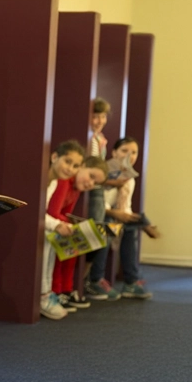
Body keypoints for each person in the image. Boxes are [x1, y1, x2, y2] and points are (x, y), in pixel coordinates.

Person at [48, 156, 109, 312]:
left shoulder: (76, 189)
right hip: (50, 226)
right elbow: (54, 212)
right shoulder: (64, 183)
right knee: (64, 251)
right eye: (91, 176)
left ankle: (66, 290)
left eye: (95, 183)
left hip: (59, 226)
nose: (90, 183)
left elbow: (66, 213)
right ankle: (56, 290)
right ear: (81, 167)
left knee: (73, 251)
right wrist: (70, 225)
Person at [103, 137, 160, 299]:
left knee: (131, 226)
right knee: (116, 226)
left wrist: (141, 221)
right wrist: (117, 215)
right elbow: (100, 203)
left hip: (117, 216)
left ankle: (131, 282)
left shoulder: (129, 177)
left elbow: (125, 207)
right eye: (124, 151)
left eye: (134, 152)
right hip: (104, 216)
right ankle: (98, 280)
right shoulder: (107, 172)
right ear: (114, 153)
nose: (130, 155)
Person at [40, 140, 86, 320]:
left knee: (54, 236)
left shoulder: (56, 182)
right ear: (54, 157)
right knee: (48, 236)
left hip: (42, 224)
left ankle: (47, 290)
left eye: (75, 166)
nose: (70, 169)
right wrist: (56, 225)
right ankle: (43, 294)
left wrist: (60, 225)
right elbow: (35, 212)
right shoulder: (42, 177)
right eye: (67, 161)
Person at [84, 97, 124, 301]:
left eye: (102, 116)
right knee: (95, 233)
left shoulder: (99, 139)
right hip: (94, 190)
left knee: (101, 232)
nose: (99, 120)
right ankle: (89, 280)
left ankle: (91, 278)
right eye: (95, 115)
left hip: (99, 189)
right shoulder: (90, 139)